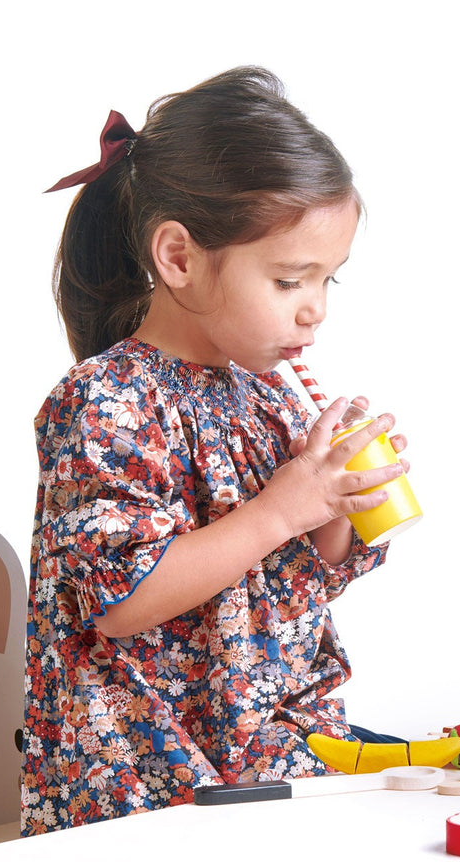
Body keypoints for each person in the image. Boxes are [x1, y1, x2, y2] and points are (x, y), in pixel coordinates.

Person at [21, 67, 408, 834]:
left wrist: (336, 502)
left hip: (259, 750)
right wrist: (279, 507)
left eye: (330, 280)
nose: (316, 309)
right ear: (180, 258)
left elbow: (292, 586)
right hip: (145, 779)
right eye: (290, 278)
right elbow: (122, 602)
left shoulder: (261, 396)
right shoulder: (108, 402)